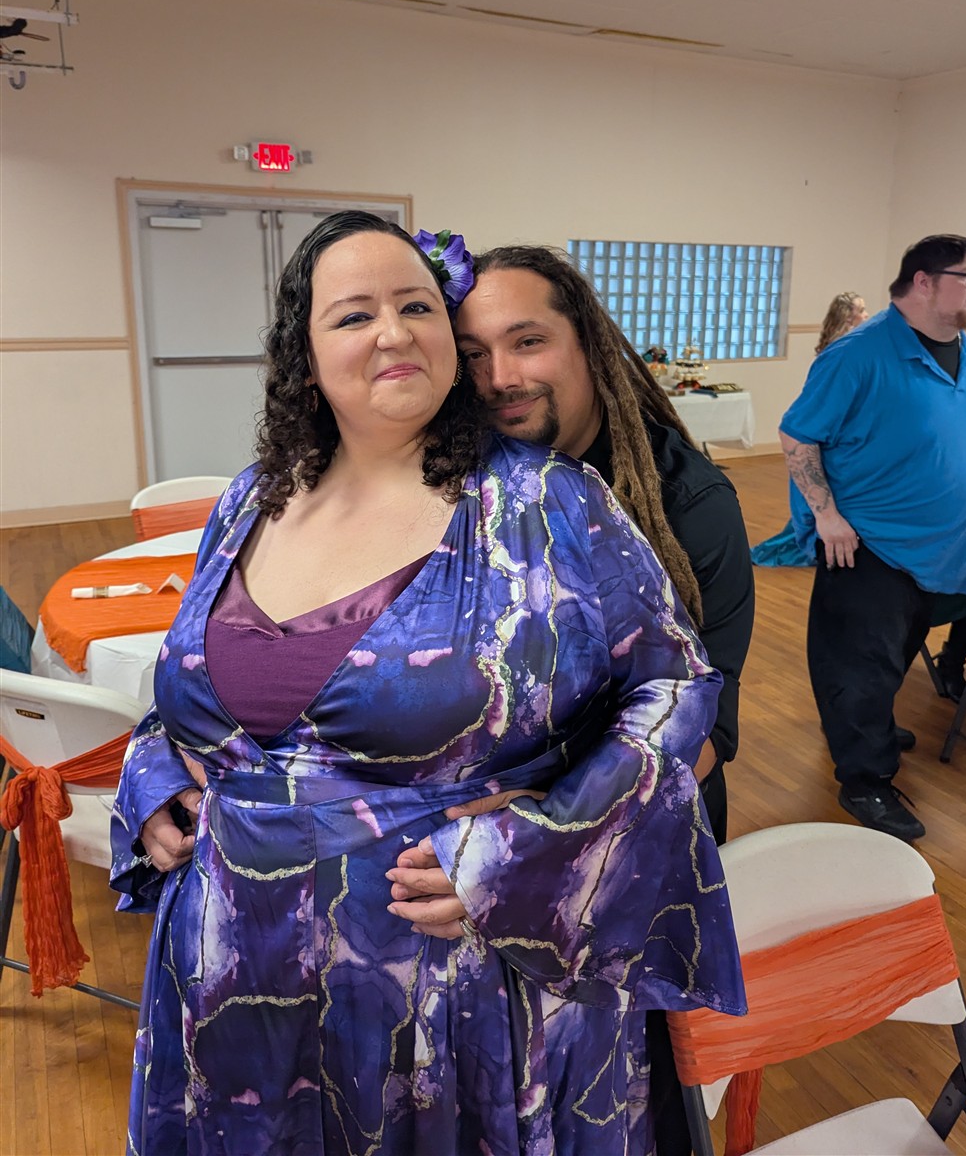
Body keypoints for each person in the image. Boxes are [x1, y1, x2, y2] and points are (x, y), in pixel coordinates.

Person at [111, 212, 744, 1156]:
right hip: (235, 978)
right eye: (353, 314)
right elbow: (205, 689)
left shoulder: (547, 502)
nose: (393, 332)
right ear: (304, 358)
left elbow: (675, 691)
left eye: (416, 306)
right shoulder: (253, 497)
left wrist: (534, 847)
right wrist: (156, 773)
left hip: (450, 998)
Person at [454, 244, 755, 846]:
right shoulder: (459, 485)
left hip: (631, 833)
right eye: (473, 355)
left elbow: (703, 733)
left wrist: (546, 830)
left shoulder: (684, 504)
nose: (500, 378)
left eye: (528, 341)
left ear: (589, 345)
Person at [779, 234, 966, 842]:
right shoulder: (859, 354)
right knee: (861, 665)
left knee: (893, 656)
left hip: (942, 548)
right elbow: (799, 435)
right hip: (871, 543)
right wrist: (826, 514)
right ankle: (865, 781)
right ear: (923, 280)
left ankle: (865, 727)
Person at [752, 291, 870, 568]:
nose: (867, 315)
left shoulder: (855, 349)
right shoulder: (840, 353)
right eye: (862, 310)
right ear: (849, 317)